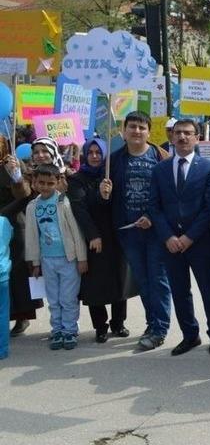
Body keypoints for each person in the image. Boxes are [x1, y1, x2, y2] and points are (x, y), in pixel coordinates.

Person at [149, 118, 210, 356]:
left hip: (199, 242)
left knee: (208, 290)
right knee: (180, 291)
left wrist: (190, 237)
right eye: (178, 132)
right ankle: (190, 335)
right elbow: (154, 207)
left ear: (197, 138)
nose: (182, 137)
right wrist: (168, 236)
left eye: (188, 133)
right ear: (171, 137)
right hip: (170, 243)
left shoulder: (209, 168)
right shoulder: (159, 169)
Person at [101, 111, 171, 351]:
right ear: (124, 131)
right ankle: (153, 323)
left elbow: (169, 195)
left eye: (142, 127)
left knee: (158, 279)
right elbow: (103, 198)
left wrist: (151, 216)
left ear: (149, 132)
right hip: (128, 232)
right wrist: (104, 194)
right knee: (143, 281)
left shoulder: (161, 157)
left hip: (156, 231)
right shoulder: (113, 161)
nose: (137, 131)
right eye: (132, 126)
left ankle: (159, 328)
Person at [68, 138, 135, 343]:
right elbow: (80, 209)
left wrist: (108, 195)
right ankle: (100, 326)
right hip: (93, 237)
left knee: (119, 280)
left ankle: (118, 322)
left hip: (115, 234)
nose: (95, 156)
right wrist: (93, 235)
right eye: (91, 152)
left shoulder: (110, 175)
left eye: (99, 152)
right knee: (95, 284)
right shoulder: (77, 179)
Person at [24, 164, 88, 350]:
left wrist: (81, 258)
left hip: (68, 259)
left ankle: (70, 330)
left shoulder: (63, 202)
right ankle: (57, 330)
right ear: (34, 182)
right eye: (41, 183)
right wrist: (36, 263)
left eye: (50, 183)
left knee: (68, 298)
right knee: (53, 299)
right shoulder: (32, 206)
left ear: (58, 182)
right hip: (47, 260)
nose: (45, 187)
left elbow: (76, 232)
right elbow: (32, 236)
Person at [1, 136, 42, 338]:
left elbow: (25, 194)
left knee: (16, 274)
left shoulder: (14, 163)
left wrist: (17, 177)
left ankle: (21, 316)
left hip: (13, 223)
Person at [0, 215, 12, 359]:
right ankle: (2, 350)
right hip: (2, 274)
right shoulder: (4, 221)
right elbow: (10, 235)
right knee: (3, 313)